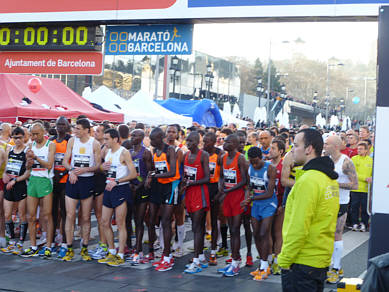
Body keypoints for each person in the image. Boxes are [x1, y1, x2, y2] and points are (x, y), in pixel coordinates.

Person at [278, 129, 340, 292]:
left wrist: (284, 260)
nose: (292, 149)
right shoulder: (328, 178)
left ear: (309, 149)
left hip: (301, 262)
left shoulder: (309, 180)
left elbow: (299, 227)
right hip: (319, 260)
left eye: (296, 145)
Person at [61, 118, 101, 261]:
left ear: (85, 130)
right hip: (73, 179)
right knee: (70, 215)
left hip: (87, 180)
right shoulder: (72, 141)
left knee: (85, 217)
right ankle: (69, 248)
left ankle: (84, 248)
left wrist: (85, 169)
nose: (75, 131)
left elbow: (98, 165)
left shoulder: (94, 143)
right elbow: (65, 161)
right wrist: (71, 170)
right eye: (75, 128)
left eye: (78, 129)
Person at [97, 129, 136, 266]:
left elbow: (133, 174)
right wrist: (102, 167)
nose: (105, 142)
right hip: (109, 188)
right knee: (104, 222)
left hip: (120, 189)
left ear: (115, 139)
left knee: (120, 223)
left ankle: (120, 254)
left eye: (107, 139)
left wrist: (117, 181)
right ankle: (111, 251)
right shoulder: (107, 151)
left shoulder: (124, 152)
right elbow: (102, 168)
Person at [324, 135, 358, 284]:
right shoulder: (325, 160)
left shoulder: (346, 162)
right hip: (326, 201)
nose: (324, 146)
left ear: (336, 146)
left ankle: (336, 269)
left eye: (327, 144)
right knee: (325, 233)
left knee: (337, 234)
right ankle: (328, 264)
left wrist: (335, 184)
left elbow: (354, 184)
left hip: (341, 202)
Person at [145, 127, 180, 272]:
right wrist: (149, 176)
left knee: (166, 221)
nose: (151, 142)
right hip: (158, 186)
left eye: (153, 139)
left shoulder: (170, 150)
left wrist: (153, 176)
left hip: (170, 186)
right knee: (151, 219)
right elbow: (155, 169)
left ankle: (167, 256)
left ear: (161, 137)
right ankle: (152, 251)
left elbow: (171, 171)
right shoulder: (155, 152)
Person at [20, 122, 56, 258]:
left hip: (45, 180)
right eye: (32, 134)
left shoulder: (50, 145)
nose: (34, 136)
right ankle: (33, 245)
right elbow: (28, 167)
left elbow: (49, 165)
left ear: (43, 132)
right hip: (33, 180)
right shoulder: (31, 145)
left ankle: (48, 246)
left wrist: (35, 158)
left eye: (37, 134)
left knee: (47, 215)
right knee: (31, 216)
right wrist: (28, 162)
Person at [243, 146, 277, 281]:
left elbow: (269, 192)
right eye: (251, 161)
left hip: (269, 203)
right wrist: (247, 197)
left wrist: (251, 198)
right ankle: (263, 265)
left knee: (264, 233)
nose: (253, 164)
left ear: (261, 157)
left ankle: (264, 266)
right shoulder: (250, 167)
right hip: (256, 204)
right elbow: (249, 186)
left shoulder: (270, 168)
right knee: (256, 234)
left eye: (256, 161)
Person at [217, 134, 247, 277]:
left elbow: (245, 181)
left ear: (235, 144)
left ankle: (236, 262)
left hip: (237, 196)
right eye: (225, 141)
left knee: (235, 229)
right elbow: (222, 175)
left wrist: (230, 189)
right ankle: (234, 259)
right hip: (227, 196)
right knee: (231, 230)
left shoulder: (240, 158)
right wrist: (221, 185)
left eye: (228, 141)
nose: (225, 143)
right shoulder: (223, 157)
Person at [183, 132, 210, 274]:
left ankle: (196, 261)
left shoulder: (203, 155)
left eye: (191, 141)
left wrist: (191, 182)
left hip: (200, 193)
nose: (188, 143)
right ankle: (200, 257)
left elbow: (207, 178)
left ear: (197, 142)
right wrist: (184, 182)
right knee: (196, 227)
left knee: (197, 227)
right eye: (187, 140)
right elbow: (185, 174)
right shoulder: (186, 155)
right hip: (189, 194)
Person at [1, 127, 30, 254]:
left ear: (24, 137)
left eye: (19, 137)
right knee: (7, 214)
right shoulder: (9, 149)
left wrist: (16, 180)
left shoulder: (27, 151)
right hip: (9, 185)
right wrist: (5, 175)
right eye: (15, 137)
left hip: (20, 185)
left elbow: (28, 172)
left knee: (22, 215)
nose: (17, 140)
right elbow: (6, 166)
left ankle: (21, 243)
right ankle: (12, 241)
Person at [129, 129, 152, 265]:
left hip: (141, 189)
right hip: (129, 187)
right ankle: (130, 247)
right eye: (131, 135)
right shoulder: (128, 152)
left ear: (142, 137)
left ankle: (139, 250)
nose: (132, 137)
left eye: (135, 135)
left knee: (139, 220)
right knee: (129, 220)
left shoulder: (146, 152)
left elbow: (150, 173)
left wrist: (139, 186)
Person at [50, 117, 72, 256]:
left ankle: (65, 242)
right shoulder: (51, 141)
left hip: (65, 180)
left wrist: (63, 172)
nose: (60, 127)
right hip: (53, 180)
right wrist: (54, 173)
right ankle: (51, 242)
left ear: (67, 126)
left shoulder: (70, 140)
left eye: (63, 124)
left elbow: (74, 159)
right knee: (52, 213)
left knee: (64, 212)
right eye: (58, 124)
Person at [89, 123, 110, 260]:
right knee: (98, 216)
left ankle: (104, 245)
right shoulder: (96, 146)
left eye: (98, 131)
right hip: (94, 181)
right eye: (95, 131)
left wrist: (95, 168)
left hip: (102, 183)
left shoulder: (106, 148)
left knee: (102, 217)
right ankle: (102, 244)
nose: (95, 133)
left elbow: (105, 167)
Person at [203, 132, 224, 265]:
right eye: (203, 141)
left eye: (207, 142)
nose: (205, 144)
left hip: (215, 188)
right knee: (199, 220)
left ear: (214, 141)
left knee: (216, 219)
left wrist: (220, 192)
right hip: (203, 187)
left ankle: (213, 251)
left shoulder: (220, 154)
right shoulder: (201, 153)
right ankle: (199, 253)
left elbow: (223, 175)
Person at [269, 139, 286, 275]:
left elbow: (286, 187)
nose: (270, 150)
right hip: (267, 204)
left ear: (281, 151)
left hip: (280, 204)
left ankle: (277, 261)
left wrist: (283, 204)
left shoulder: (284, 165)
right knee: (267, 233)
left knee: (277, 232)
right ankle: (269, 259)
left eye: (273, 148)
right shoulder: (267, 165)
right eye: (270, 148)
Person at [350, 142, 373, 232]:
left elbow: (373, 173)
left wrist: (371, 178)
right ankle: (354, 223)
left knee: (364, 207)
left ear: (366, 150)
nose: (359, 150)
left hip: (366, 189)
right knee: (354, 206)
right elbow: (353, 172)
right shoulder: (354, 159)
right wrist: (365, 178)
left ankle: (364, 223)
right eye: (358, 149)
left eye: (361, 149)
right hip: (355, 187)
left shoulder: (370, 160)